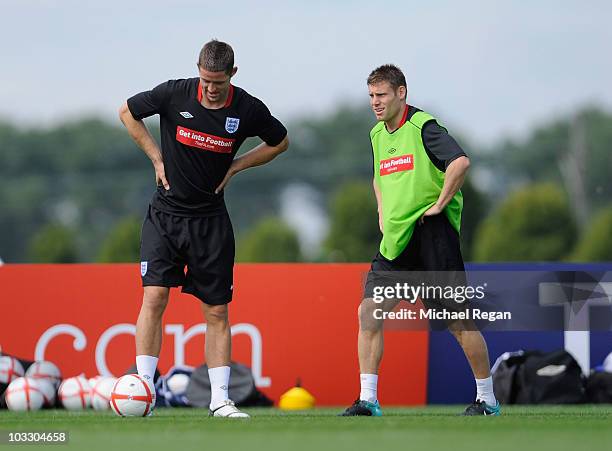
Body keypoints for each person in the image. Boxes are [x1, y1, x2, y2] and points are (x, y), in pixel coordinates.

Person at [119, 39, 289, 418]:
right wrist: (155, 157)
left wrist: (237, 165)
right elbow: (127, 113)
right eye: (206, 80)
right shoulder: (174, 93)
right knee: (154, 296)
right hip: (164, 215)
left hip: (211, 222)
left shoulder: (247, 108)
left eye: (219, 82)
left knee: (216, 312)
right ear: (198, 69)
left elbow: (280, 142)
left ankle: (219, 401)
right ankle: (145, 390)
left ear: (233, 74)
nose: (211, 88)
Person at [341, 64, 500, 416]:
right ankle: (368, 400)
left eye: (381, 95)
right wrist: (383, 211)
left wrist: (440, 204)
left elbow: (459, 162)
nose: (375, 103)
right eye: (371, 96)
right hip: (396, 242)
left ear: (401, 93)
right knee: (368, 312)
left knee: (459, 322)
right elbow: (378, 178)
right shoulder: (377, 134)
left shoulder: (424, 126)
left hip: (433, 237)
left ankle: (487, 399)